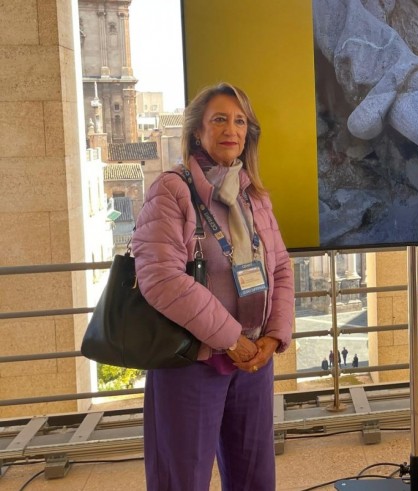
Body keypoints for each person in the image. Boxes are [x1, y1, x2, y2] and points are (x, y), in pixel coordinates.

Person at [132, 82, 295, 490]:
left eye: (240, 121)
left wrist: (272, 339)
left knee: (255, 479)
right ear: (197, 132)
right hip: (191, 362)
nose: (231, 129)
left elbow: (280, 268)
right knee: (181, 480)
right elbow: (161, 278)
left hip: (253, 363)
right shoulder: (172, 190)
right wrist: (230, 339)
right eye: (219, 119)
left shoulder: (253, 196)